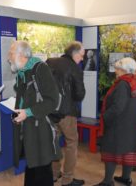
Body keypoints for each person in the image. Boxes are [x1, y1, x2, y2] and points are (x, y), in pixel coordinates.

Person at [7, 41, 60, 186]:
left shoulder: (41, 69)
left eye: (11, 53)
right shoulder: (22, 72)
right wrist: (18, 111)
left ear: (21, 55)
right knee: (32, 165)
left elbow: (52, 100)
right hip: (28, 128)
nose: (8, 58)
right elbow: (24, 99)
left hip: (40, 128)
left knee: (42, 169)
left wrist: (28, 112)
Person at [94, 57, 136, 186]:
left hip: (118, 124)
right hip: (130, 124)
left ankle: (107, 181)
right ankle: (126, 178)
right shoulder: (131, 82)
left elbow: (118, 106)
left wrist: (105, 116)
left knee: (110, 150)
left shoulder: (122, 84)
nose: (115, 71)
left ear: (124, 70)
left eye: (117, 69)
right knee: (128, 150)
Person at [46, 41, 86, 186]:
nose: (82, 59)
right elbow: (80, 94)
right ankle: (67, 179)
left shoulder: (49, 62)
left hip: (49, 112)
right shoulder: (75, 68)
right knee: (72, 143)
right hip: (67, 113)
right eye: (81, 56)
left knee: (54, 143)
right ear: (74, 53)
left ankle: (54, 174)